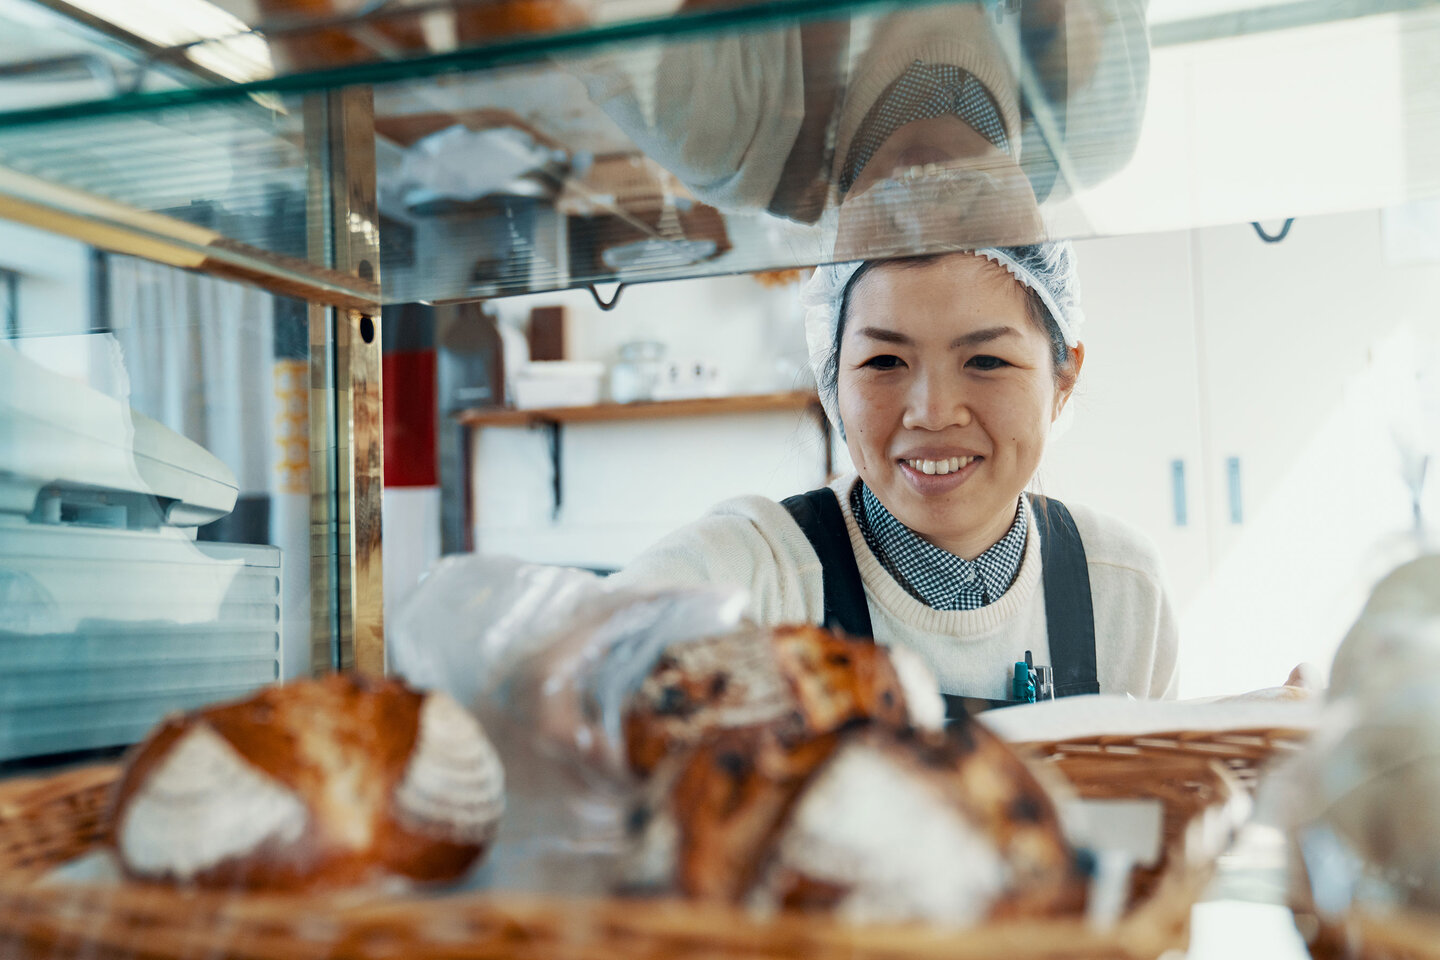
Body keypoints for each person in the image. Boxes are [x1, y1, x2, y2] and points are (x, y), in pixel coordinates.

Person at [612, 242, 1179, 710]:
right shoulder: (753, 577)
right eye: (884, 362)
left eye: (986, 361)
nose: (932, 412)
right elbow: (560, 671)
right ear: (833, 379)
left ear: (1063, 380)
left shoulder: (1122, 589)